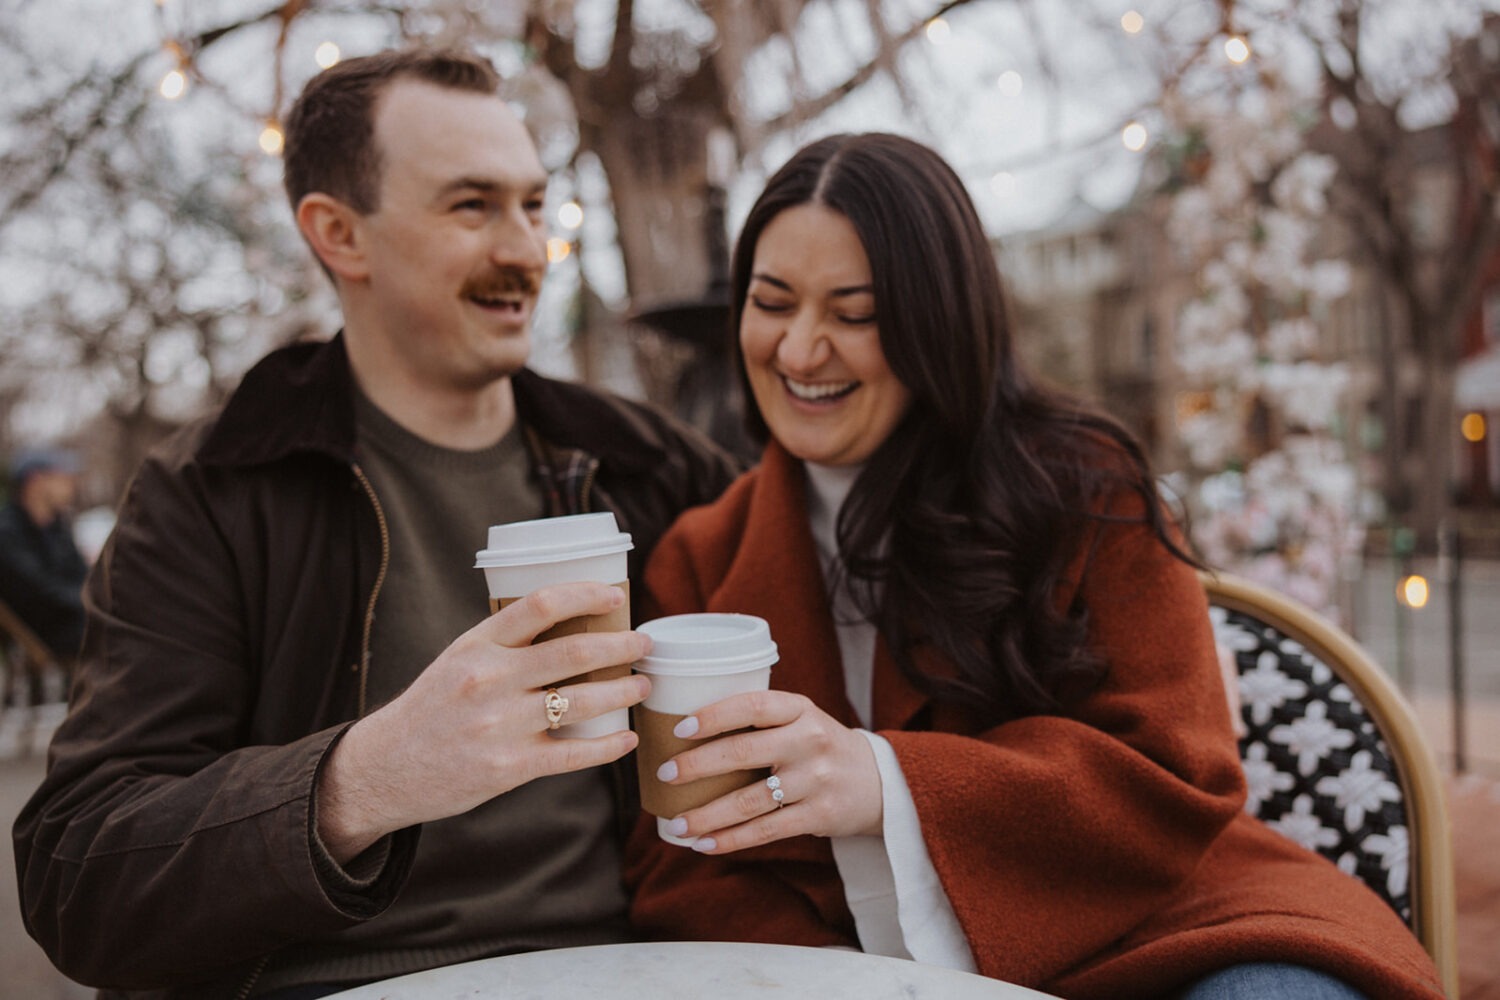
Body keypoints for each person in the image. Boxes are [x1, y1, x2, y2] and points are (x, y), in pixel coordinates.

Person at [623, 133, 1445, 999]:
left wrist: (887, 783)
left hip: (1166, 934)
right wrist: (844, 984)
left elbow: (1179, 766)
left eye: (854, 313)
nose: (798, 350)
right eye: (772, 302)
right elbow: (679, 865)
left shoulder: (1085, 488)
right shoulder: (699, 557)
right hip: (846, 970)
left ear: (939, 319)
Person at [13, 48, 737, 999]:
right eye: (472, 206)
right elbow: (79, 874)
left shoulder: (648, 462)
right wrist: (365, 779)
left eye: (532, 205)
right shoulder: (214, 489)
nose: (525, 248)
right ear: (339, 235)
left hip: (630, 968)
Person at [0, 448, 89, 702]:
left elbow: (82, 575)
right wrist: (90, 602)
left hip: (73, 620)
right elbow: (39, 592)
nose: (71, 484)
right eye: (62, 477)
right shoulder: (7, 533)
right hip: (42, 633)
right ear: (36, 482)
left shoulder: (58, 527)